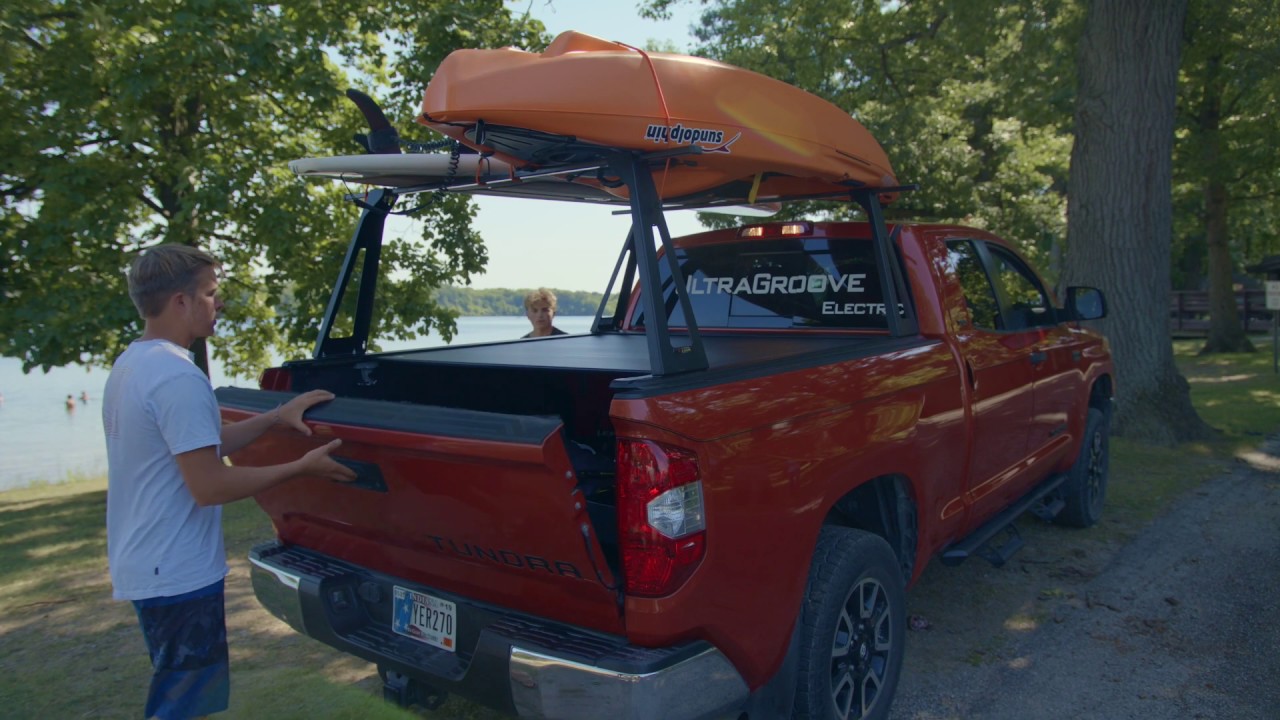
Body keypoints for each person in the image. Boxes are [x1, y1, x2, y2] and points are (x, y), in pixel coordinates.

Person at [103, 244, 355, 720]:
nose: (219, 304)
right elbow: (211, 485)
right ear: (181, 301)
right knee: (185, 704)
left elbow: (205, 442)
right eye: (211, 293)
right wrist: (302, 467)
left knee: (182, 695)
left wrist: (277, 416)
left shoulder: (133, 364)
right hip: (175, 570)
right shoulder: (178, 376)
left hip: (149, 562)